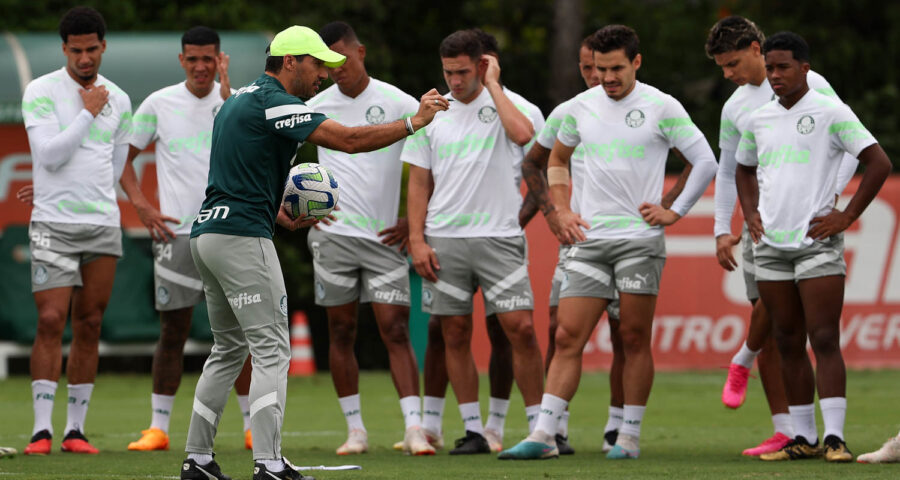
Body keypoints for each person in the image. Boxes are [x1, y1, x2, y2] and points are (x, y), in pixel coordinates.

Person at [179, 25, 447, 480]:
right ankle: (268, 463)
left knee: (228, 350)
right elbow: (349, 141)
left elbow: (235, 169)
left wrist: (278, 213)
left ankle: (198, 459)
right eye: (317, 63)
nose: (323, 73)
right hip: (242, 237)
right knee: (272, 350)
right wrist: (412, 123)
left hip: (208, 232)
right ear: (290, 62)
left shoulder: (238, 100)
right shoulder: (275, 100)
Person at [501, 24, 717, 460]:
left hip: (639, 241)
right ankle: (544, 436)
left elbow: (705, 160)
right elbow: (556, 160)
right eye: (600, 69)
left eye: (616, 68)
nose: (607, 78)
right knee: (567, 337)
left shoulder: (662, 105)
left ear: (636, 62)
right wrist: (560, 210)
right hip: (589, 240)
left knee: (634, 338)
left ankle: (629, 437)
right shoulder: (580, 106)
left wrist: (672, 208)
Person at [705, 15, 858, 456]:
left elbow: (848, 144)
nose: (729, 74)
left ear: (757, 48)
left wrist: (831, 200)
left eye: (733, 63)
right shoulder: (735, 107)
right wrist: (723, 227)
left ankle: (742, 359)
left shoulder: (813, 85)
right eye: (721, 68)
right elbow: (732, 169)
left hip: (809, 223)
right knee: (775, 322)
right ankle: (789, 430)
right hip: (762, 226)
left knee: (804, 330)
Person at [735, 31, 890, 463]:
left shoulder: (830, 111)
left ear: (805, 68)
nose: (775, 75)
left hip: (816, 245)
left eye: (783, 67)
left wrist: (847, 216)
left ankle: (836, 437)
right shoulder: (760, 119)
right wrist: (750, 214)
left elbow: (878, 161)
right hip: (771, 246)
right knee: (786, 340)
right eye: (769, 68)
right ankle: (802, 438)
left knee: (823, 337)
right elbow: (743, 170)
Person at [403, 29, 544, 455]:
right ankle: (474, 431)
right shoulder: (431, 112)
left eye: (463, 72)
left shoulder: (518, 107)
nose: (454, 81)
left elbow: (523, 137)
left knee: (519, 328)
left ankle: (541, 430)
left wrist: (495, 86)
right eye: (448, 72)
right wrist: (417, 239)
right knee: (454, 332)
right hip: (445, 238)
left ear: (483, 65)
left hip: (500, 238)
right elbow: (418, 182)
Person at [117, 26, 255, 452]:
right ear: (181, 60)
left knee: (241, 332)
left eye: (208, 59)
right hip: (176, 234)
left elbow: (252, 150)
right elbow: (124, 159)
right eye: (192, 59)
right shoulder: (159, 102)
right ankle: (158, 428)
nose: (200, 66)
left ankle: (252, 426)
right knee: (172, 330)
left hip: (229, 229)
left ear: (220, 59)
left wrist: (229, 91)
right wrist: (142, 206)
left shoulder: (238, 100)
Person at [303, 21, 433, 456]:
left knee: (394, 329)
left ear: (361, 52)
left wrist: (415, 222)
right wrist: (302, 208)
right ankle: (355, 430)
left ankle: (415, 428)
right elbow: (276, 157)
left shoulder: (399, 101)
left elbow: (427, 163)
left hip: (384, 239)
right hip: (332, 236)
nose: (335, 67)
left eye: (342, 57)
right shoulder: (316, 104)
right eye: (327, 61)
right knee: (340, 330)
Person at [21, 6, 131, 456]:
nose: (84, 58)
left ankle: (75, 431)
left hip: (102, 223)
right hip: (52, 225)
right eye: (76, 50)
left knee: (89, 324)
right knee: (51, 320)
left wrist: (75, 187)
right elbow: (48, 156)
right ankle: (41, 430)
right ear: (64, 49)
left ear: (103, 46)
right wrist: (87, 113)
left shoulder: (121, 99)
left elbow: (116, 168)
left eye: (91, 49)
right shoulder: (41, 90)